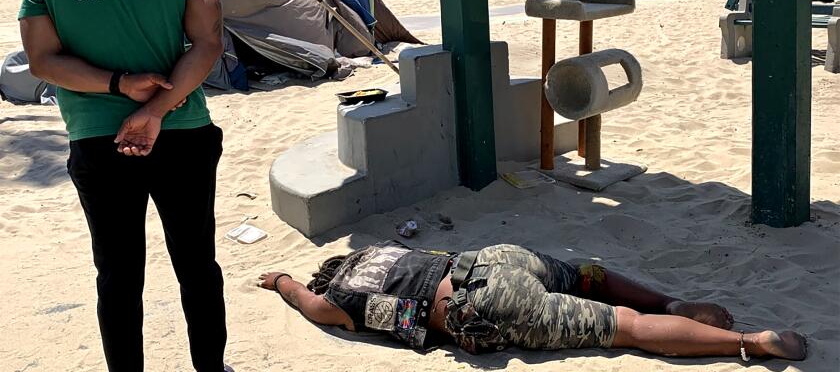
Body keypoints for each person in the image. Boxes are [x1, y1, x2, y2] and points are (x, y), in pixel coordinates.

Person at [19, 0, 231, 372]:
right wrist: (155, 109)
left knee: (116, 274)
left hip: (96, 140)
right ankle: (210, 368)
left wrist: (119, 84)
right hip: (182, 133)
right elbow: (208, 45)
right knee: (197, 265)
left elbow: (42, 62)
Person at [258, 242, 806, 362]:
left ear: (331, 280)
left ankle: (748, 342)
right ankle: (672, 301)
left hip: (485, 304)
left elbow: (308, 303)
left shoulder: (342, 299)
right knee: (588, 275)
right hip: (497, 259)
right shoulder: (382, 251)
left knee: (626, 330)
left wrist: (282, 280)